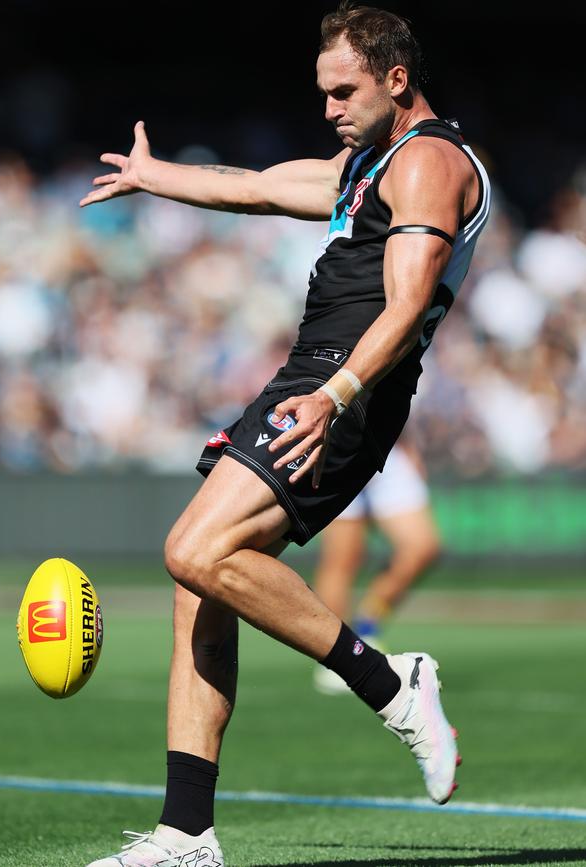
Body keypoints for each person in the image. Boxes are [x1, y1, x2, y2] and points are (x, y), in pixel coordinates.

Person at [80, 4, 489, 865]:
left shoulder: (430, 163)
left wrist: (335, 395)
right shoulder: (367, 165)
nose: (330, 107)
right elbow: (258, 185)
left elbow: (408, 307)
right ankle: (187, 833)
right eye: (323, 92)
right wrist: (159, 178)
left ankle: (391, 681)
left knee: (193, 549)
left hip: (346, 385)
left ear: (397, 79)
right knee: (204, 585)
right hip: (307, 376)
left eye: (344, 91)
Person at [312, 439, 442, 694]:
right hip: (336, 447)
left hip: (386, 445)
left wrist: (406, 441)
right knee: (343, 559)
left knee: (423, 547)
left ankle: (366, 628)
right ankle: (337, 658)